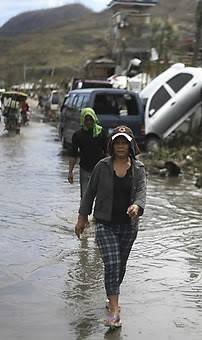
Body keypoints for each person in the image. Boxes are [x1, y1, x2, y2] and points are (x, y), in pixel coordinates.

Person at [74, 125, 146, 328]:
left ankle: (111, 296)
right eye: (117, 142)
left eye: (124, 142)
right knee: (112, 263)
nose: (121, 146)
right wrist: (82, 218)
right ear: (112, 145)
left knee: (120, 265)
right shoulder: (102, 167)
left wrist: (136, 206)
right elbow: (89, 193)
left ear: (131, 145)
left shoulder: (139, 169)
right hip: (105, 224)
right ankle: (114, 309)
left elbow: (142, 193)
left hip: (128, 226)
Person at [68, 107, 108, 199]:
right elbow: (73, 155)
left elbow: (107, 152)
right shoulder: (78, 135)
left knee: (101, 197)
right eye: (86, 120)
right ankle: (84, 213)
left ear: (94, 119)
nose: (89, 122)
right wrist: (70, 172)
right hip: (85, 169)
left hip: (100, 170)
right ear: (82, 120)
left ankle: (98, 213)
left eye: (91, 119)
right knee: (85, 198)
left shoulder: (101, 133)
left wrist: (110, 170)